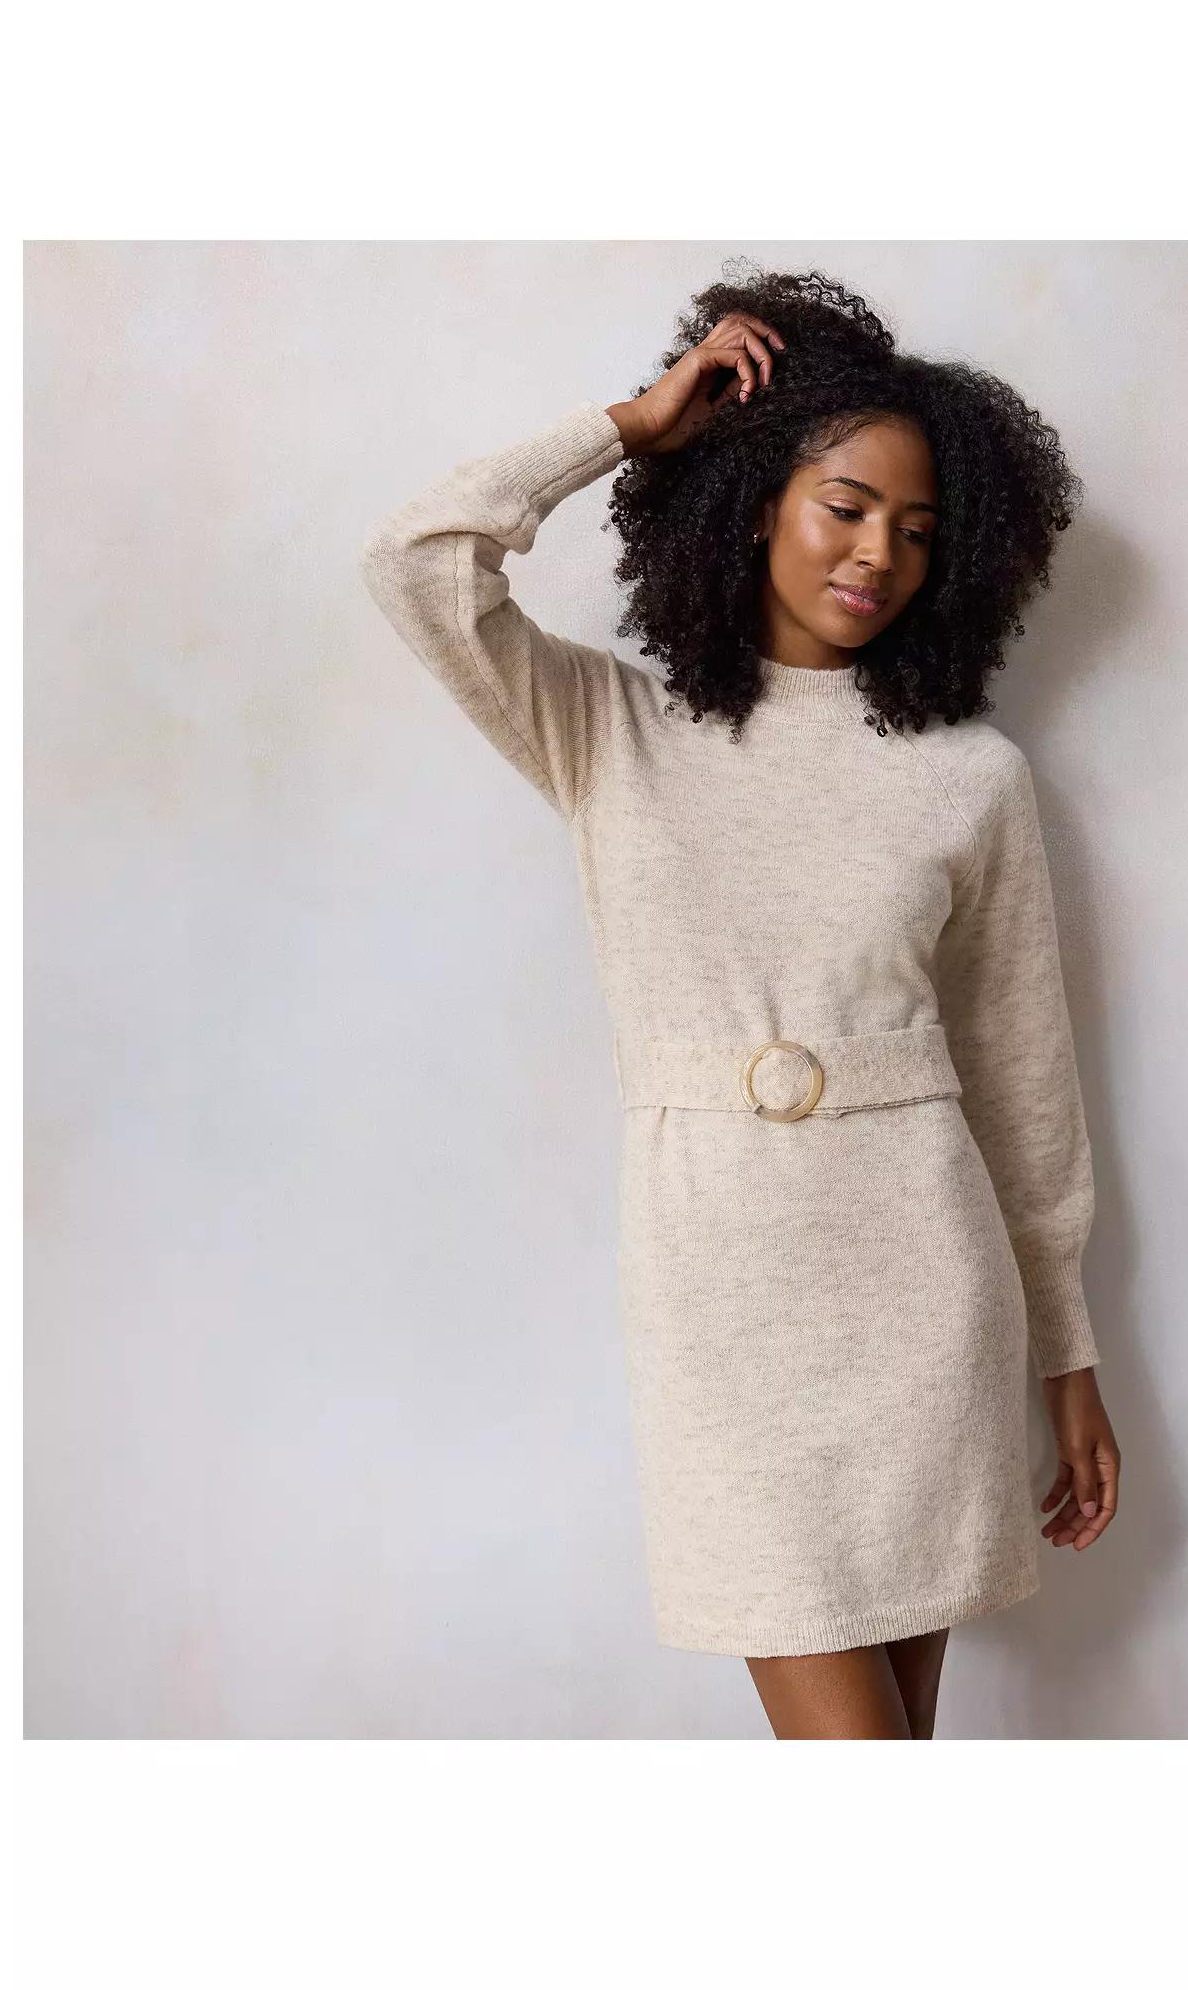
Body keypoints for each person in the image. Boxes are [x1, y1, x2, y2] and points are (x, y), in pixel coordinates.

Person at [359, 268, 1121, 1740]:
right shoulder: (609, 729)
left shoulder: (972, 780)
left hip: (926, 1284)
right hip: (722, 1294)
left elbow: (1026, 1084)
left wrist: (1067, 1357)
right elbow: (418, 565)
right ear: (757, 498)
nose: (879, 553)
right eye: (846, 505)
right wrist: (627, 429)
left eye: (918, 530)